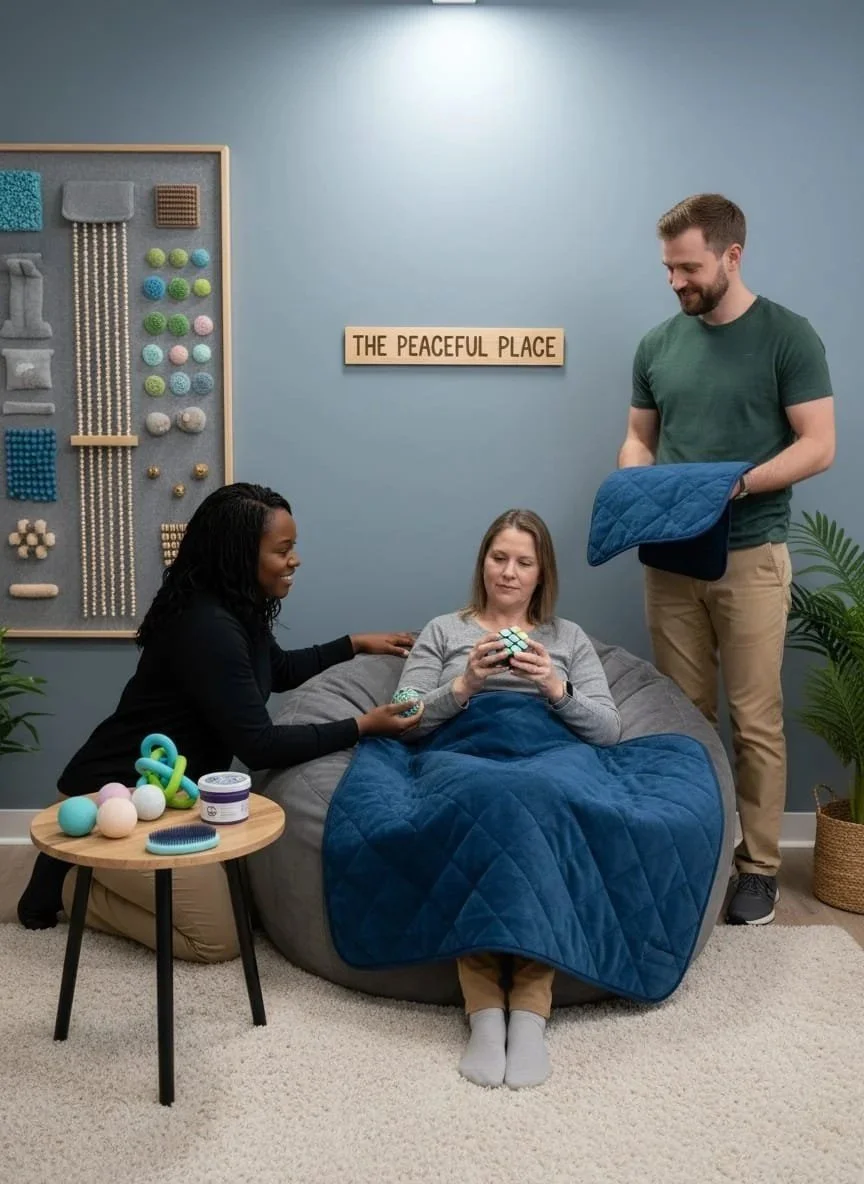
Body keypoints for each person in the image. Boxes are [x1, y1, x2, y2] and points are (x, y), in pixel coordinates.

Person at [17, 482, 423, 958]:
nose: (296, 560)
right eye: (283, 550)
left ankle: (85, 875)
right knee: (218, 940)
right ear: (239, 555)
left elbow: (281, 670)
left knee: (237, 908)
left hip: (169, 795)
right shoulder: (206, 627)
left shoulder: (235, 607)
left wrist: (354, 642)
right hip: (117, 798)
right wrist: (363, 725)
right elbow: (259, 745)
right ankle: (72, 888)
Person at [618, 193, 836, 926]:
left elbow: (818, 444)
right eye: (668, 269)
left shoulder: (787, 337)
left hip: (750, 556)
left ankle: (759, 867)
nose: (677, 281)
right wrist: (637, 478)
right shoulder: (656, 345)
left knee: (753, 718)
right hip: (670, 557)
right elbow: (640, 439)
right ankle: (699, 854)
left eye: (689, 267)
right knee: (682, 715)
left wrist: (734, 482)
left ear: (731, 255)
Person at [395, 508, 621, 1089]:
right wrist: (464, 684)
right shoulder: (444, 630)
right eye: (500, 558)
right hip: (466, 754)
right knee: (488, 797)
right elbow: (405, 717)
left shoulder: (568, 638)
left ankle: (527, 1012)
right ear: (483, 563)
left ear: (542, 571)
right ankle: (486, 1015)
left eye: (524, 562)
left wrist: (554, 687)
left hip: (547, 755)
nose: (510, 573)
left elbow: (608, 729)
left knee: (536, 794)